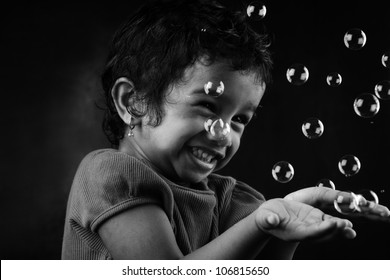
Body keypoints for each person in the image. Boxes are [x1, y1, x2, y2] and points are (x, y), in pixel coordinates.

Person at [61, 0, 389, 260]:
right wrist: (260, 225)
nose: (223, 134)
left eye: (240, 120)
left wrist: (285, 223)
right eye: (207, 106)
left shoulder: (229, 199)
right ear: (134, 102)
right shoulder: (110, 175)